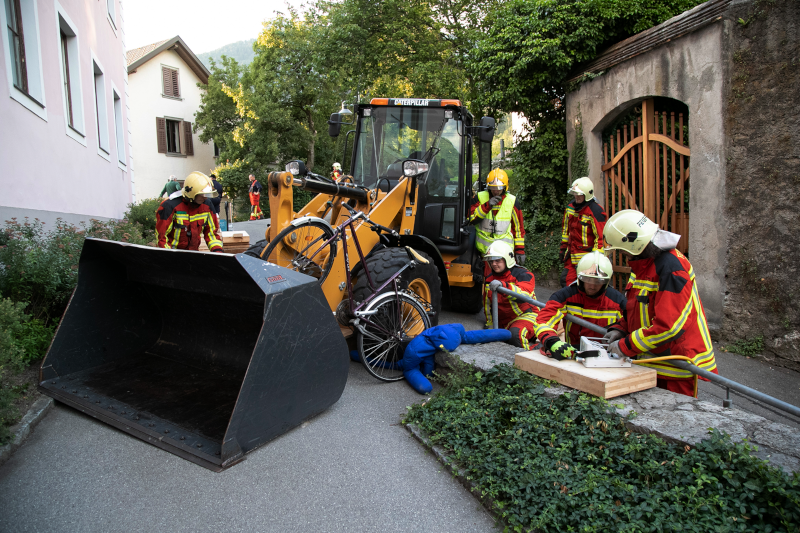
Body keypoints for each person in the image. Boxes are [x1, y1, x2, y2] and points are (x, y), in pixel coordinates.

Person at [602, 209, 717, 397]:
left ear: (634, 246)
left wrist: (626, 345)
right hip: (654, 361)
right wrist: (621, 328)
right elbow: (638, 308)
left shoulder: (671, 268)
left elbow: (668, 326)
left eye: (621, 251)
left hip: (675, 368)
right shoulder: (644, 263)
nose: (622, 256)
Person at [534, 250, 626, 360]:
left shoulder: (618, 300)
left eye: (598, 281)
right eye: (587, 279)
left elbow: (631, 325)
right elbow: (544, 321)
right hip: (574, 353)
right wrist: (553, 342)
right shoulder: (566, 295)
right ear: (579, 278)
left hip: (609, 356)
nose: (592, 286)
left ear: (606, 281)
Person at [482, 241, 538, 350]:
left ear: (507, 259)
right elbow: (487, 305)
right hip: (505, 323)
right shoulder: (489, 279)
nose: (494, 264)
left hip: (527, 316)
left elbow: (524, 295)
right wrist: (490, 326)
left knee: (516, 335)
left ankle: (529, 358)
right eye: (491, 261)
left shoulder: (523, 275)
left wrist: (503, 286)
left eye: (498, 260)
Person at [469, 168, 526, 267]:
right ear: (488, 187)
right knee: (488, 280)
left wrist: (520, 250)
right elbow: (471, 219)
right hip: (484, 253)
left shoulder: (512, 201)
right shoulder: (480, 198)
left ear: (505, 187)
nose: (496, 191)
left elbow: (518, 229)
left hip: (504, 253)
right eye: (493, 188)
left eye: (499, 188)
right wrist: (486, 206)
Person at [156, 171, 224, 252]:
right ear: (192, 193)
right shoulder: (169, 206)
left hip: (193, 254)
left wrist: (218, 253)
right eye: (202, 195)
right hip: (174, 255)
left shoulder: (207, 205)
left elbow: (212, 234)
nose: (206, 198)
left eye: (207, 194)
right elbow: (162, 238)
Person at [560, 177, 607, 287]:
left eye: (579, 194)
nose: (576, 196)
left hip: (588, 259)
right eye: (575, 193)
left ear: (587, 194)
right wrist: (563, 248)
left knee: (586, 287)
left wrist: (596, 261)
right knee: (566, 283)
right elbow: (565, 230)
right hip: (571, 257)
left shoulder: (595, 211)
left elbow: (600, 238)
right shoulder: (570, 207)